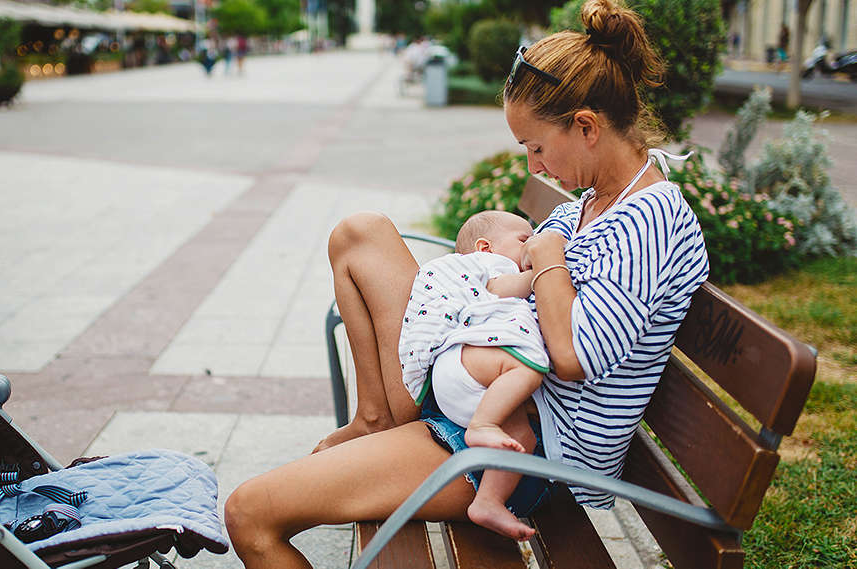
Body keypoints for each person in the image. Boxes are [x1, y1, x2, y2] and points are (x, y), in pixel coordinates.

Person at [224, 0, 709, 566]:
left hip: (522, 449)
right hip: (476, 383)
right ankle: (378, 418)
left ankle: (393, 423)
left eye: (536, 147)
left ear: (586, 127)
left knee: (250, 514)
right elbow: (519, 278)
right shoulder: (588, 204)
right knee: (362, 233)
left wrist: (547, 257)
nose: (533, 167)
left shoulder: (649, 221)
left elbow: (574, 356)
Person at [399, 210, 550, 539]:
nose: (531, 246)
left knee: (521, 440)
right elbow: (504, 288)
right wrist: (545, 268)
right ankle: (482, 425)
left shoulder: (487, 260)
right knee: (524, 369)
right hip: (466, 365)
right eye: (524, 240)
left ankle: (489, 502)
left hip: (471, 390)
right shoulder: (491, 265)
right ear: (485, 247)